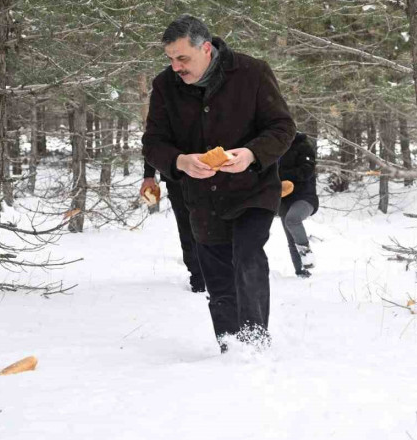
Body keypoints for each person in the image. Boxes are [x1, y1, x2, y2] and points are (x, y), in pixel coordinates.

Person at [141, 15, 295, 351]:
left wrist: (252, 154)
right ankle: (230, 346)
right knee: (217, 273)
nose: (176, 66)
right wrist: (180, 162)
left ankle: (254, 343)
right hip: (201, 197)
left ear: (206, 48)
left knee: (246, 254)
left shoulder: (252, 72)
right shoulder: (164, 86)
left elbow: (283, 128)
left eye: (183, 58)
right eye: (170, 58)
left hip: (252, 188)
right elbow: (153, 142)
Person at [140, 162, 206, 292]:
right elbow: (153, 143)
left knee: (211, 226)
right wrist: (148, 176)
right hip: (178, 177)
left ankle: (215, 273)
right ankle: (197, 276)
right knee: (186, 227)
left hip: (210, 174)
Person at [278, 132, 318, 278]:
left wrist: (281, 175)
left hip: (305, 197)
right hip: (284, 199)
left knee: (292, 219)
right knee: (290, 238)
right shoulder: (275, 149)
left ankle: (306, 253)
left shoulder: (303, 146)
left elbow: (306, 171)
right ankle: (301, 271)